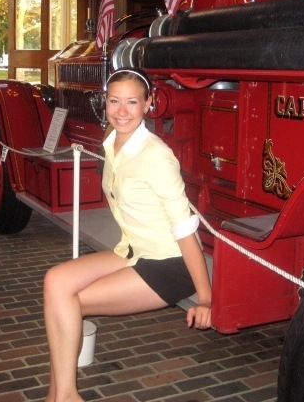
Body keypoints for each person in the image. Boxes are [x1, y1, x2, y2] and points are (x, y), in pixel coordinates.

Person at [43, 68, 212, 402]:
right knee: (55, 282)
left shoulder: (156, 156)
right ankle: (59, 395)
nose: (121, 111)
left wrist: (205, 298)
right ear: (104, 103)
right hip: (132, 250)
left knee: (67, 304)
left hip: (168, 263)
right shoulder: (112, 144)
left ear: (148, 104)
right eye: (114, 101)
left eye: (132, 102)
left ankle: (64, 396)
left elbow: (184, 230)